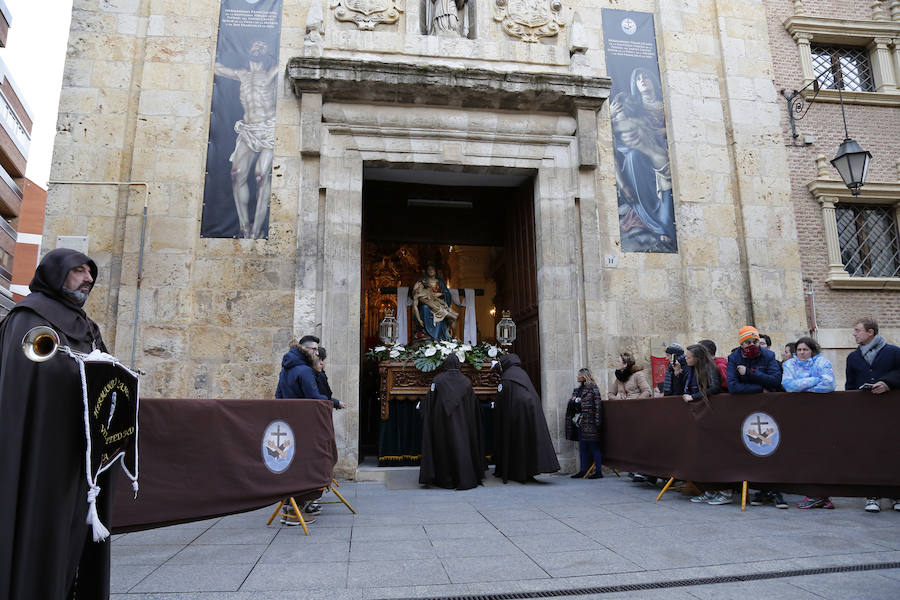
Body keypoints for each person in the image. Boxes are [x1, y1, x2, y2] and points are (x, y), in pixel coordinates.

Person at [0, 248, 112, 599]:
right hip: (36, 447)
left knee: (69, 538)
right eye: (78, 271)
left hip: (76, 453)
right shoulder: (27, 317)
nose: (88, 279)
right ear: (54, 273)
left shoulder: (86, 326)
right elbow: (22, 385)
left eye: (89, 273)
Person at [213, 40, 279, 239]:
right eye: (255, 45)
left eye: (262, 46)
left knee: (260, 175)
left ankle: (257, 230)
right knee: (236, 173)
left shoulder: (272, 72)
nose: (258, 48)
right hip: (248, 129)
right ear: (249, 49)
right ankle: (244, 227)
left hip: (268, 129)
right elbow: (217, 68)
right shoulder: (241, 74)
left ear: (268, 52)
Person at [609, 67, 676, 252]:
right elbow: (617, 126)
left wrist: (663, 132)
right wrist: (612, 114)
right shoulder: (634, 107)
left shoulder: (666, 106)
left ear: (654, 80)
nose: (643, 80)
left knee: (665, 163)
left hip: (662, 148)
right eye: (638, 79)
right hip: (641, 154)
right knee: (633, 157)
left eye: (646, 76)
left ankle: (665, 223)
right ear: (635, 85)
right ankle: (654, 222)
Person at [844, 318, 900, 513]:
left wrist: (888, 383)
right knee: (869, 452)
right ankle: (871, 496)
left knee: (892, 451)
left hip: (891, 411)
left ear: (871, 332)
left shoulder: (894, 352)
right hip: (865, 412)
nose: (854, 333)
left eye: (857, 330)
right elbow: (849, 385)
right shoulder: (852, 357)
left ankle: (896, 494)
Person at [419, 354, 485, 490]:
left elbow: (430, 401)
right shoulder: (466, 381)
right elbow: (473, 406)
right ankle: (463, 476)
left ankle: (445, 480)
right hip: (463, 423)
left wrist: (422, 406)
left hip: (441, 421)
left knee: (442, 447)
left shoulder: (438, 380)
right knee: (462, 446)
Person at [493, 353, 560, 483]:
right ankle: (530, 469)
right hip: (531, 412)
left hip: (516, 416)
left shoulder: (507, 377)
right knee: (528, 441)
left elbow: (502, 399)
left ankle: (518, 472)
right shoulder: (522, 374)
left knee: (518, 443)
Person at [568, 368, 603, 479]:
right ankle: (583, 470)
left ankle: (598, 471)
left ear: (584, 376)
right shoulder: (578, 390)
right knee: (582, 446)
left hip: (591, 421)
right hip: (580, 421)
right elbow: (571, 403)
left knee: (594, 446)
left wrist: (597, 422)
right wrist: (574, 401)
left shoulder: (593, 388)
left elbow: (598, 406)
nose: (577, 376)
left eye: (579, 375)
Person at [726, 326, 782, 394]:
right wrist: (760, 389)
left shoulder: (769, 355)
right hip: (745, 400)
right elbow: (733, 387)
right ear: (741, 345)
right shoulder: (734, 358)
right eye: (748, 342)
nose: (752, 345)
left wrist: (750, 372)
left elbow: (775, 381)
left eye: (755, 342)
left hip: (767, 399)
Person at [412, 263, 458, 341]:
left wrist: (443, 299)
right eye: (429, 269)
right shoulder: (420, 290)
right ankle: (431, 335)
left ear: (436, 271)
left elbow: (441, 296)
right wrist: (419, 320)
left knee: (455, 316)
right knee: (425, 307)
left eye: (432, 269)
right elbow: (415, 305)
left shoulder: (436, 285)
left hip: (439, 305)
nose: (431, 271)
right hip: (433, 308)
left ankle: (453, 337)